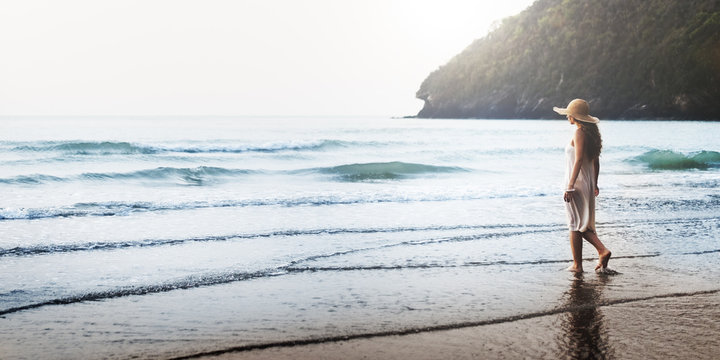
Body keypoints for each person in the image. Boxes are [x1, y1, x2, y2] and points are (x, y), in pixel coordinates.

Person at [553, 99, 611, 272]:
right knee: (580, 223)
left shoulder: (579, 133)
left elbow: (578, 159)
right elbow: (596, 162)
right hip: (586, 183)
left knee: (575, 224)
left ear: (574, 116)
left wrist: (570, 185)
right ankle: (580, 263)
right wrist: (595, 183)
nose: (567, 117)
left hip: (576, 184)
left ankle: (596, 254)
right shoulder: (591, 134)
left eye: (569, 114)